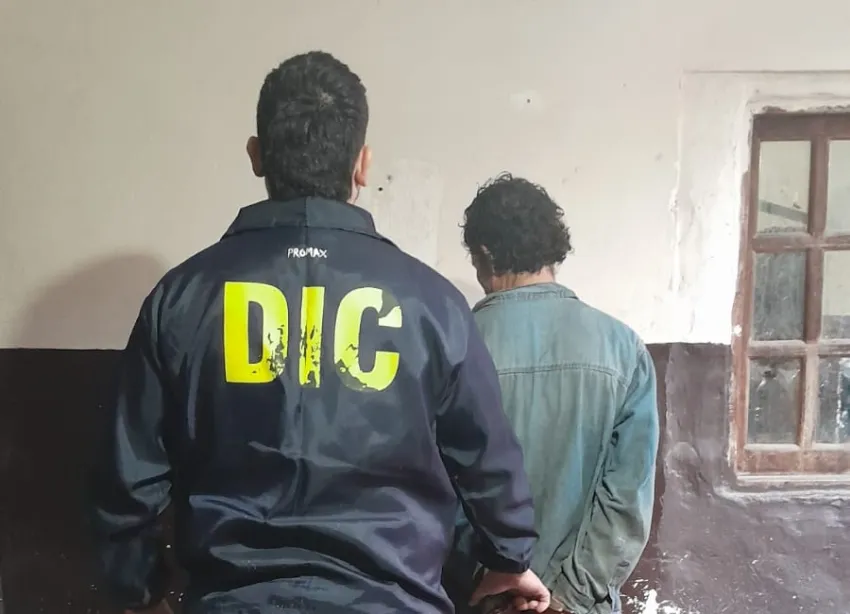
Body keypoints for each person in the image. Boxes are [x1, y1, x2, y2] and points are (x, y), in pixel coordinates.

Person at [88, 53, 551, 614]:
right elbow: (486, 459)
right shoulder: (434, 303)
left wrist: (139, 592)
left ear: (256, 156)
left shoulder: (181, 298)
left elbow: (127, 481)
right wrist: (509, 558)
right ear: (362, 165)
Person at [446, 174, 659, 614]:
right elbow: (625, 504)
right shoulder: (623, 349)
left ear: (484, 255)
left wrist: (493, 583)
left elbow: (435, 493)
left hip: (477, 601)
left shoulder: (451, 345)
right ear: (552, 248)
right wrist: (565, 599)